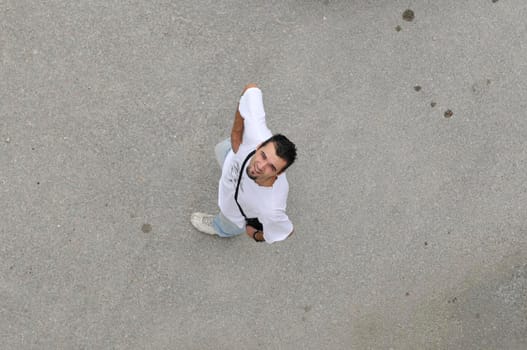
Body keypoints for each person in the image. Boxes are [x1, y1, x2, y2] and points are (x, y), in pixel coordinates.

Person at [191, 83, 297, 243]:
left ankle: (219, 227)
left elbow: (285, 232)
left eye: (272, 167)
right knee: (220, 150)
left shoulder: (270, 207)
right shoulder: (256, 134)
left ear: (279, 173)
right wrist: (236, 133)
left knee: (227, 223)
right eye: (263, 155)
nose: (261, 166)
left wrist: (255, 235)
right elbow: (250, 90)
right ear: (259, 145)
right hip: (231, 158)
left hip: (234, 213)